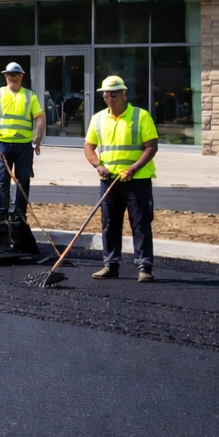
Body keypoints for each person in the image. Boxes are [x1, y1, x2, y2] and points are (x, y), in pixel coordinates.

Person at [84, 75, 159, 282]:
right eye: (105, 95)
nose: (109, 98)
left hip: (137, 181)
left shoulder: (141, 116)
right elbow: (89, 147)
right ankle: (110, 265)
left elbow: (151, 146)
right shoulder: (98, 119)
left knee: (140, 223)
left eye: (113, 94)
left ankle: (144, 267)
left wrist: (134, 168)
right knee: (109, 223)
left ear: (123, 94)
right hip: (109, 181)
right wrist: (98, 166)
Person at [0, 62, 44, 222]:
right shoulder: (23, 95)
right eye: (10, 74)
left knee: (7, 182)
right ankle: (12, 216)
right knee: (14, 182)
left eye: (12, 74)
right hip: (10, 145)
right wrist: (37, 139)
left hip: (14, 145)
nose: (11, 77)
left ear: (18, 76)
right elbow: (41, 117)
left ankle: (7, 217)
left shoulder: (25, 95)